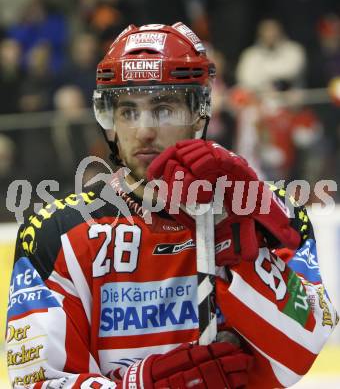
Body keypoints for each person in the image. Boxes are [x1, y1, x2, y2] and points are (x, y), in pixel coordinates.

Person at [6, 23, 337, 389]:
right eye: (128, 111)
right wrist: (143, 384)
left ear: (199, 114)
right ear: (109, 120)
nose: (144, 130)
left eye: (164, 108)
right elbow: (36, 382)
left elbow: (301, 350)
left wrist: (235, 240)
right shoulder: (56, 232)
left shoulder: (267, 209)